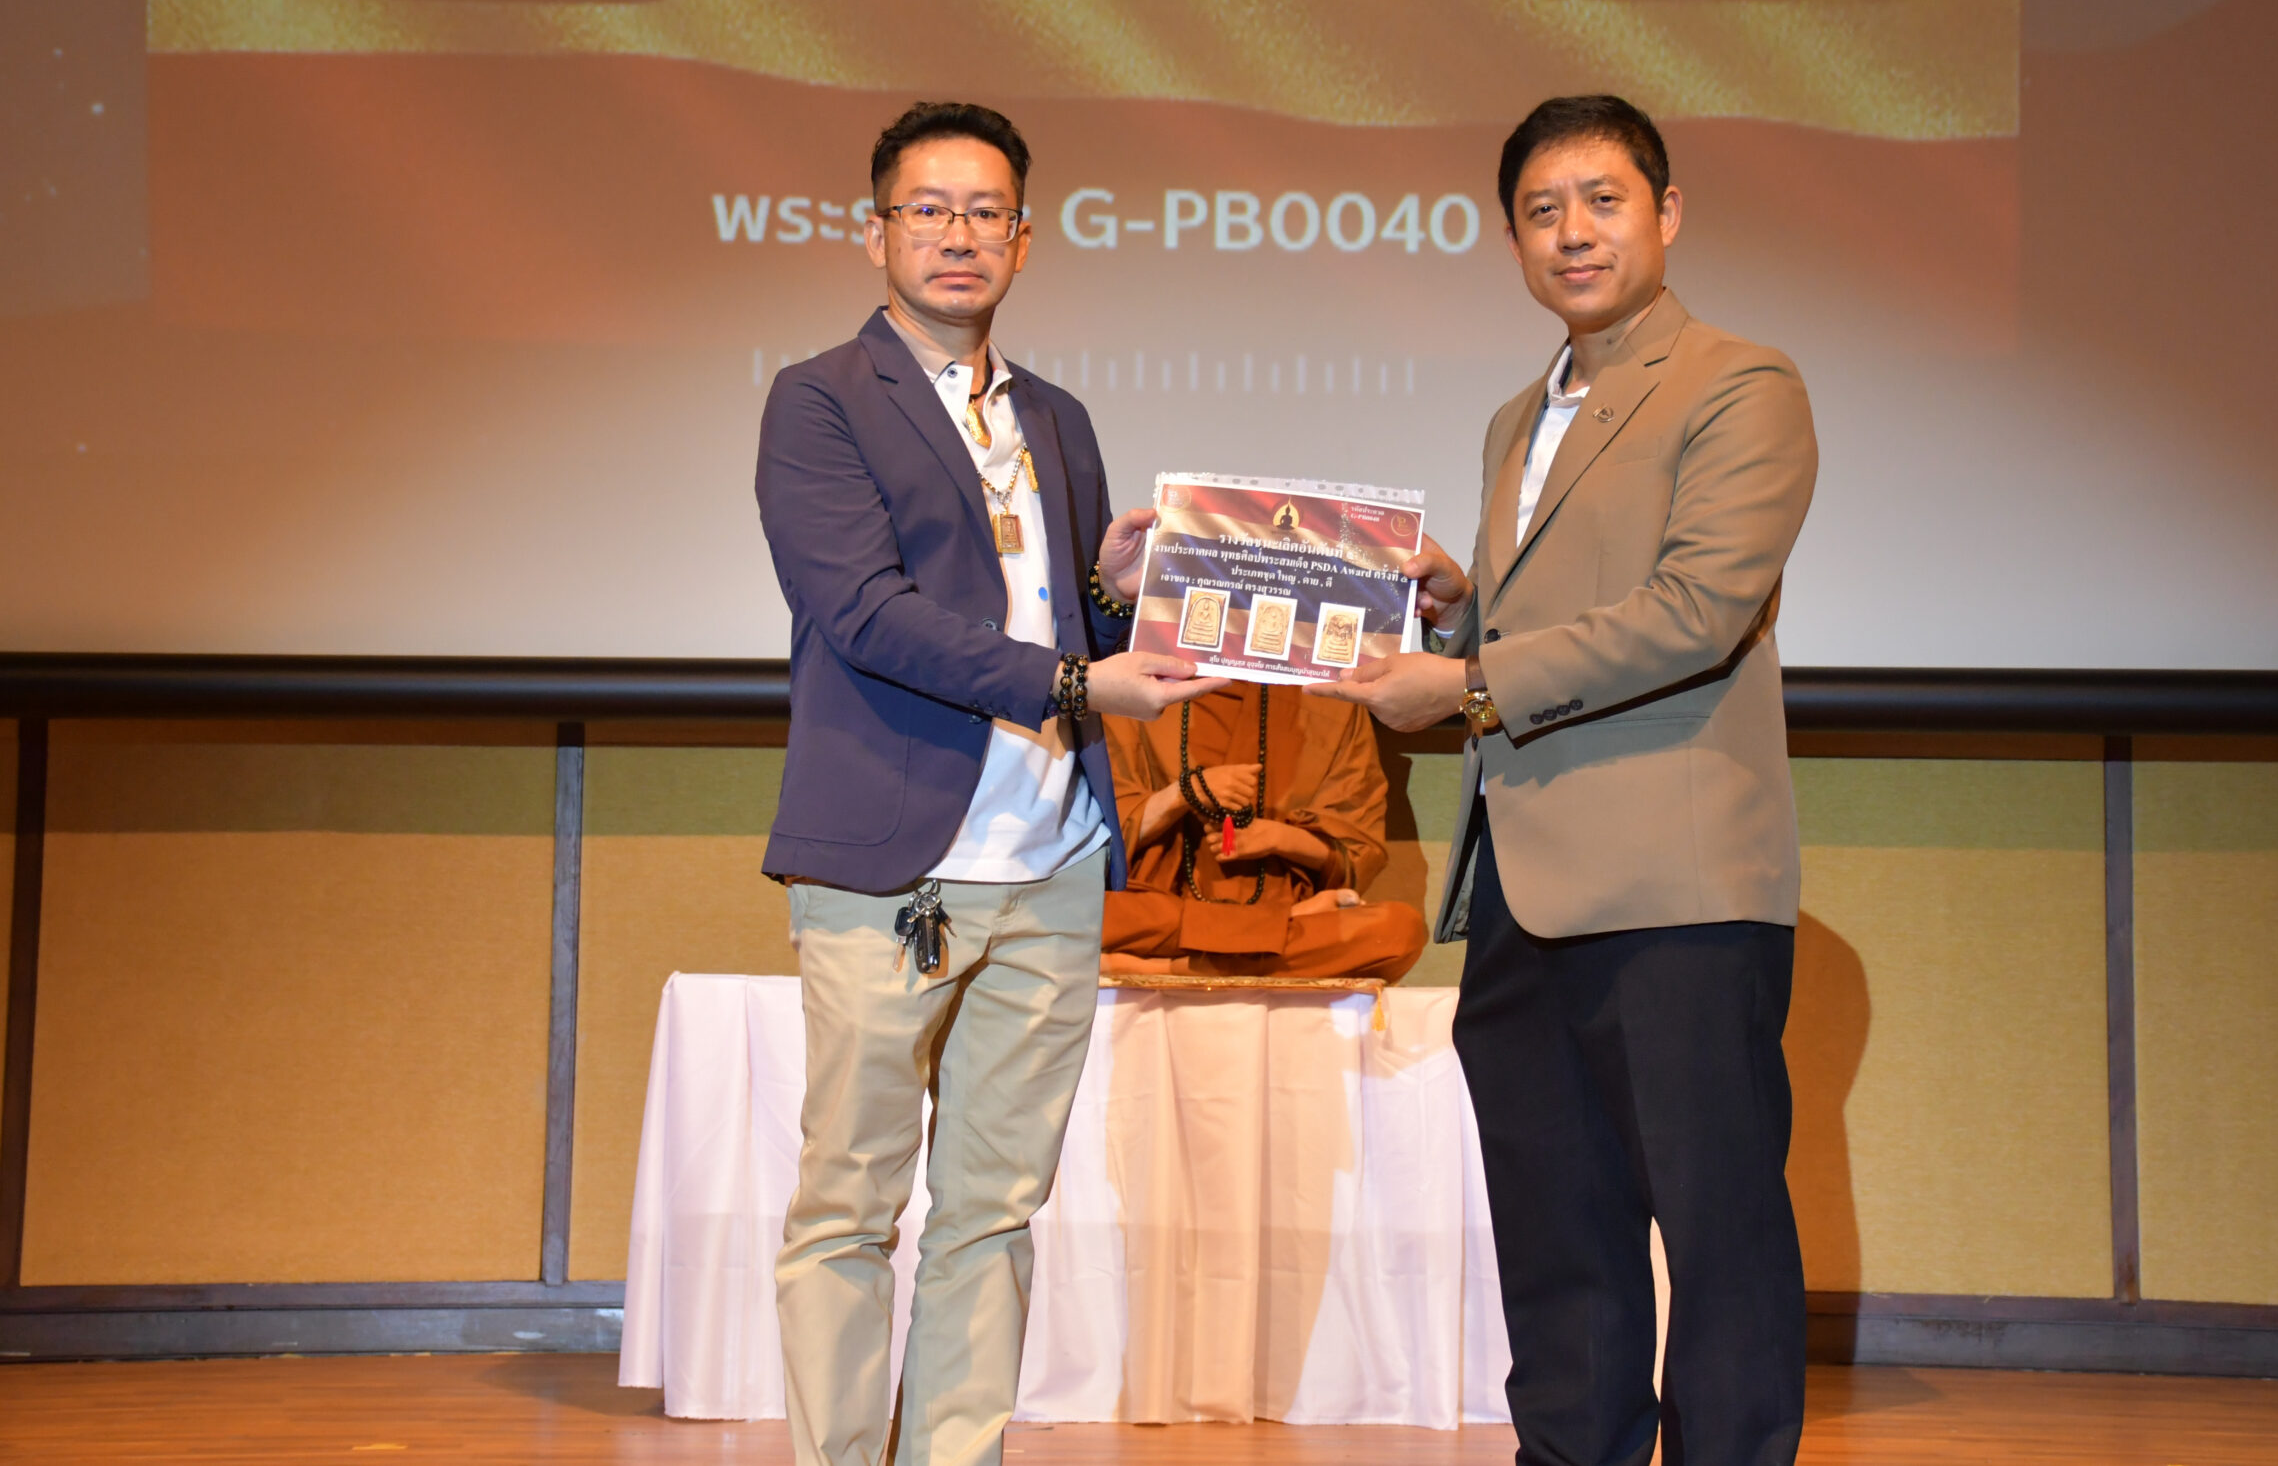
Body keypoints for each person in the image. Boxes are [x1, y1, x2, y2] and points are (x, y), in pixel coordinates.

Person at [1313, 95, 1819, 1466]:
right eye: (1541, 211)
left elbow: (1694, 612)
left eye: (1603, 200)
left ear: (1667, 213)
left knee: (1717, 1240)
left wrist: (1470, 681)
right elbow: (1553, 618)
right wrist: (1459, 607)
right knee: (1558, 1243)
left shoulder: (1739, 382)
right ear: (1513, 240)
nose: (1573, 232)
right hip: (1524, 890)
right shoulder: (1514, 417)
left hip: (1676, 888)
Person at [754, 101, 1218, 1466]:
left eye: (984, 213)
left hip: (1052, 862)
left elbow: (1056, 613)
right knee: (848, 1208)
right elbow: (867, 614)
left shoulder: (1055, 418)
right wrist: (1076, 680)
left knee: (993, 1212)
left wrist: (1109, 593)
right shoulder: (820, 399)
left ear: (1023, 237)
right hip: (890, 860)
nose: (957, 235)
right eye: (928, 209)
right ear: (875, 232)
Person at [1100, 678, 1428, 981]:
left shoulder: (1328, 694)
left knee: (1398, 931)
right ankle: (1275, 931)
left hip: (1253, 911)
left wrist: (1279, 838)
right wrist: (1184, 793)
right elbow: (1095, 835)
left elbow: (1357, 849)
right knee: (1091, 914)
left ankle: (1167, 969)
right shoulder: (1140, 683)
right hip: (1166, 906)